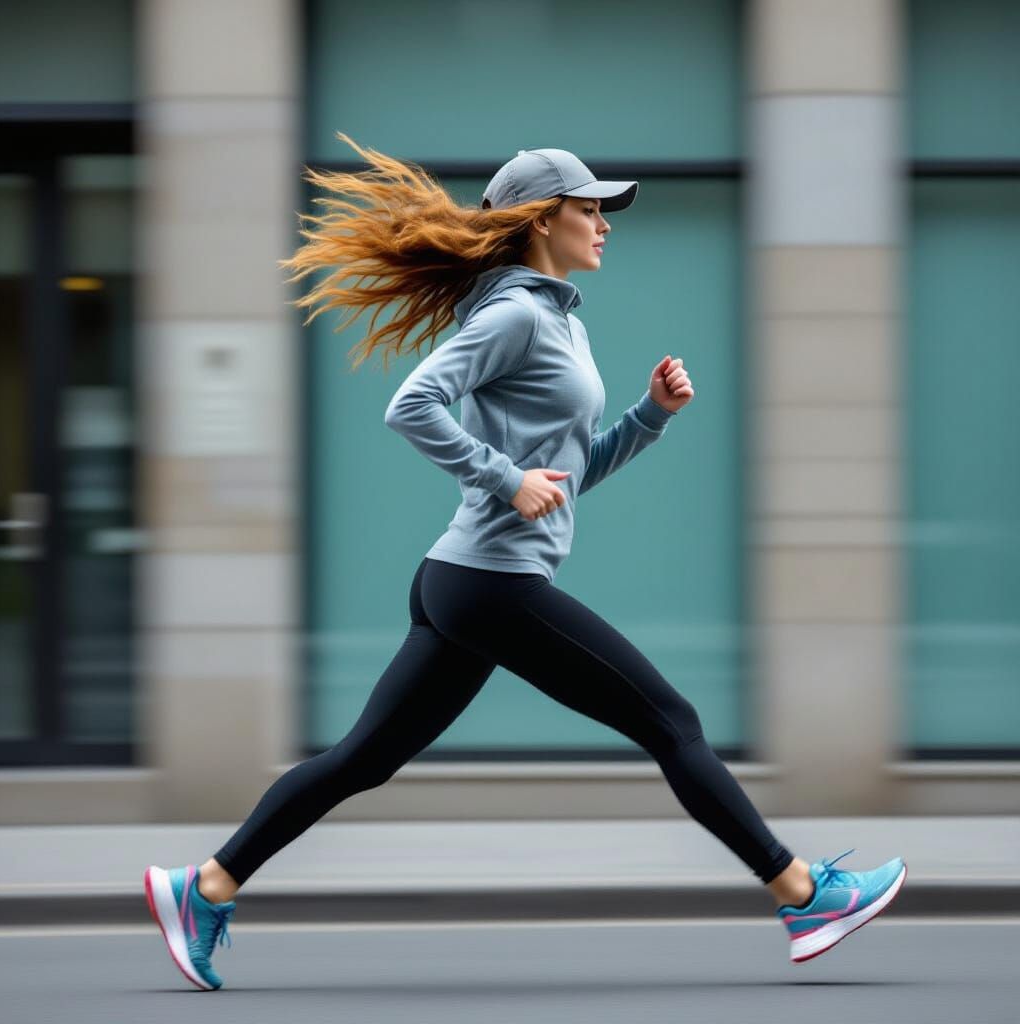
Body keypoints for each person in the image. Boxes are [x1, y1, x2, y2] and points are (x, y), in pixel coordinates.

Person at [144, 135, 907, 990]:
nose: (604, 224)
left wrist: (648, 417)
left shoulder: (558, 318)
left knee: (363, 758)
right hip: (489, 583)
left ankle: (202, 887)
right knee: (673, 723)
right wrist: (503, 479)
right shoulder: (513, 315)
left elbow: (568, 478)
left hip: (464, 581)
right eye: (590, 208)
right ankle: (804, 896)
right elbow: (412, 405)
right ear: (543, 220)